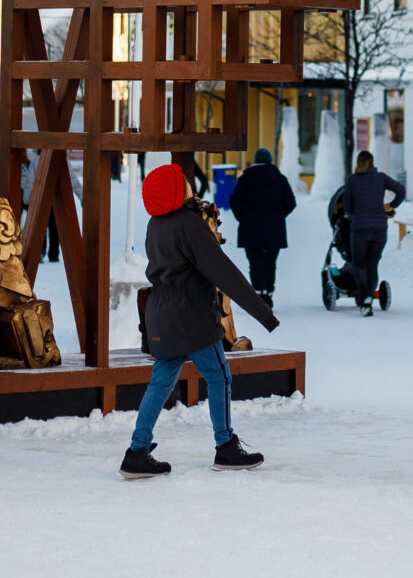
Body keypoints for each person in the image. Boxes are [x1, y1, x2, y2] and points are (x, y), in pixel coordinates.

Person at [120, 163, 278, 480]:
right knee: (219, 378)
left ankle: (137, 452)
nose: (191, 186)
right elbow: (223, 271)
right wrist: (262, 312)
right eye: (185, 183)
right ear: (176, 192)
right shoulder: (189, 225)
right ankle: (226, 446)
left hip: (161, 317)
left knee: (160, 383)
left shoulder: (156, 224)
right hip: (191, 318)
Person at [329, 150, 403, 317]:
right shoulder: (381, 178)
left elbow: (347, 205)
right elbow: (401, 190)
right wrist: (391, 205)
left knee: (359, 265)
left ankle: (365, 299)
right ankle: (368, 297)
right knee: (372, 265)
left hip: (360, 228)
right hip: (379, 229)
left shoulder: (352, 180)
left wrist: (351, 214)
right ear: (372, 162)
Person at [229, 148, 295, 308]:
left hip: (250, 228)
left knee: (255, 262)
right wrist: (278, 216)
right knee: (270, 262)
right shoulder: (280, 179)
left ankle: (259, 294)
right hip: (274, 228)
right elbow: (290, 203)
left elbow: (235, 202)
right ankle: (269, 293)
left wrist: (243, 218)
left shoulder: (245, 179)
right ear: (270, 160)